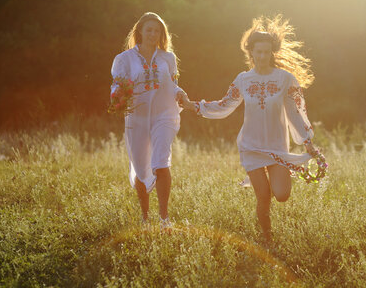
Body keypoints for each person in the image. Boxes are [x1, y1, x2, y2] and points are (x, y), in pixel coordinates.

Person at [180, 14, 317, 245]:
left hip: (277, 145)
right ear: (251, 53)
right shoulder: (243, 79)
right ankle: (267, 240)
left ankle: (273, 179)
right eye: (258, 52)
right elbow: (224, 106)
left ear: (272, 53)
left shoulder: (285, 79)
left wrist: (307, 141)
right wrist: (193, 106)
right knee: (263, 197)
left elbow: (296, 112)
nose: (262, 56)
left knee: (282, 195)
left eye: (266, 52)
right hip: (251, 146)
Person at [110, 12, 185, 230]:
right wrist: (117, 99)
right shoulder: (124, 60)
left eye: (157, 30)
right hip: (137, 119)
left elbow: (173, 84)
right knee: (141, 169)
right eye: (149, 29)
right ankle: (145, 218)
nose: (153, 34)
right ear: (140, 32)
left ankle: (164, 219)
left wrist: (182, 94)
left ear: (162, 34)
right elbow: (117, 86)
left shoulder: (167, 58)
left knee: (161, 162)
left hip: (164, 116)